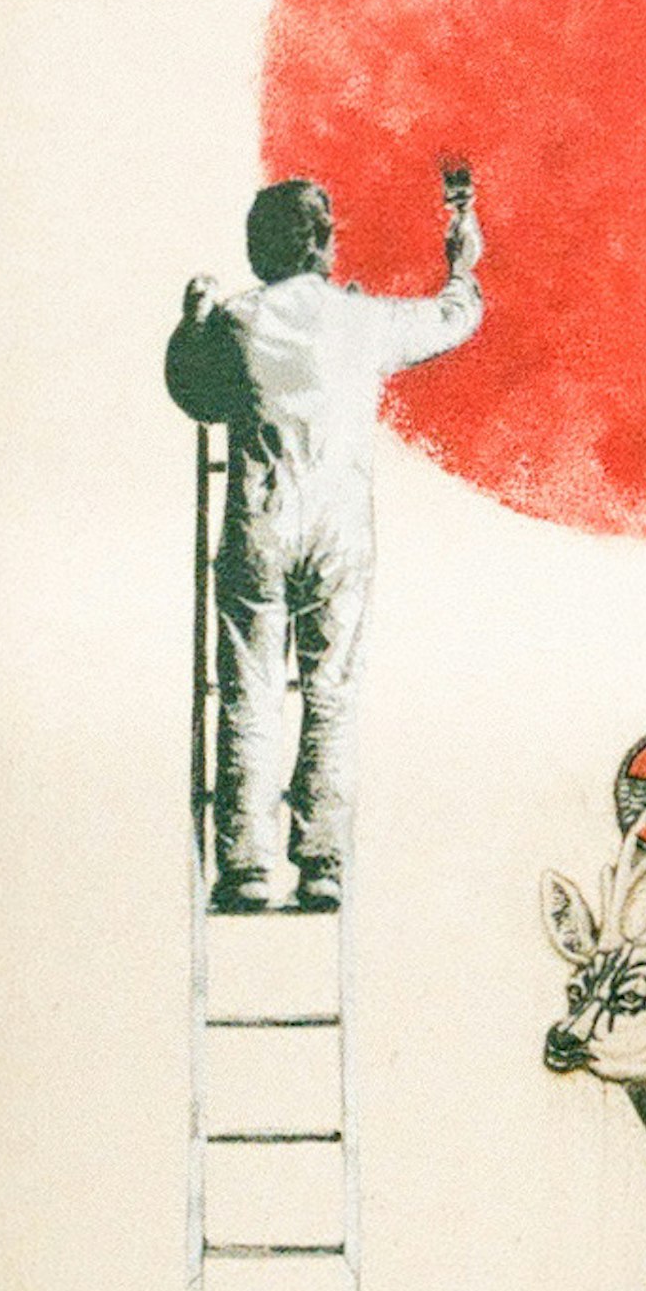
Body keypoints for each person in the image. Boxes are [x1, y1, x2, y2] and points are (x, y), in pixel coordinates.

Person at [166, 164, 483, 915]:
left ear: (258, 250)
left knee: (249, 692)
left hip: (261, 518)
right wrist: (462, 262)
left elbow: (194, 393)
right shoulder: (363, 321)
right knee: (331, 692)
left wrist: (194, 318)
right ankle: (321, 862)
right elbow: (452, 317)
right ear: (322, 247)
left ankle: (244, 862)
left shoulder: (241, 323)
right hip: (339, 530)